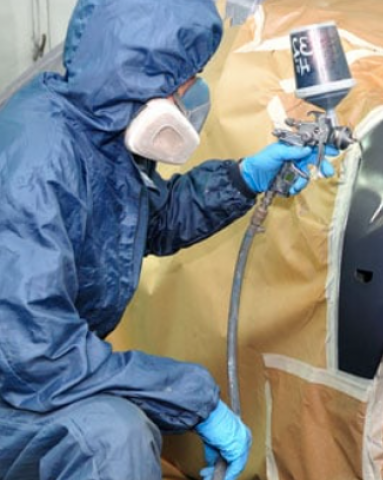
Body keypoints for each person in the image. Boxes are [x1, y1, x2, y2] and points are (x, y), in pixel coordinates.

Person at [0, 0, 333, 479]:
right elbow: (37, 354)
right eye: (186, 79)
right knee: (113, 439)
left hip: (27, 373)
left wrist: (244, 179)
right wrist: (194, 399)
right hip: (20, 379)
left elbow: (144, 223)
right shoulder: (35, 164)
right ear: (144, 77)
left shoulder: (95, 131)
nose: (192, 93)